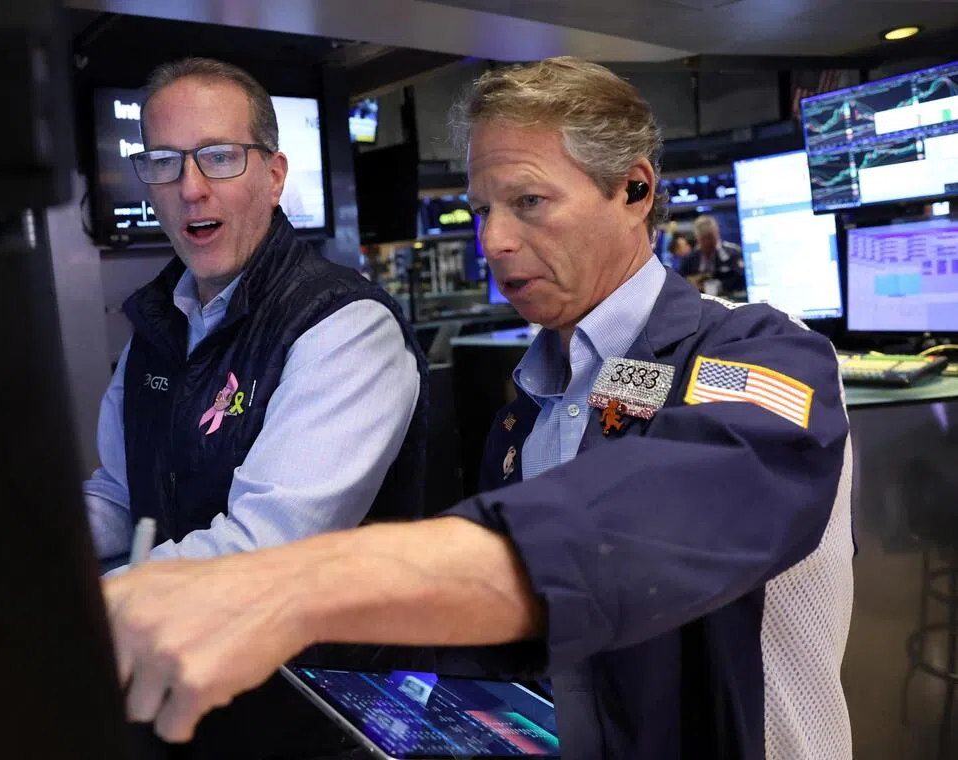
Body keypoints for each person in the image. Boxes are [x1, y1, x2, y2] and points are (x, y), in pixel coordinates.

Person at [104, 57, 854, 760]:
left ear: (635, 189)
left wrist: (295, 589)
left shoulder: (760, 355)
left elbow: (667, 515)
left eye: (529, 202)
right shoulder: (529, 409)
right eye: (481, 209)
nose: (493, 241)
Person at [83, 56, 427, 757]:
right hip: (189, 699)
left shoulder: (342, 324)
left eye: (219, 158)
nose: (190, 188)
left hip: (315, 714)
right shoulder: (157, 323)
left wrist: (75, 609)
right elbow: (122, 499)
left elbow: (261, 548)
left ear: (274, 177)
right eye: (165, 162)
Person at [677, 215, 745, 296]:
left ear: (717, 233)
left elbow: (742, 279)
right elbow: (679, 282)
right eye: (704, 239)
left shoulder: (733, 253)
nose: (708, 242)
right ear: (697, 238)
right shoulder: (689, 259)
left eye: (710, 237)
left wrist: (720, 285)